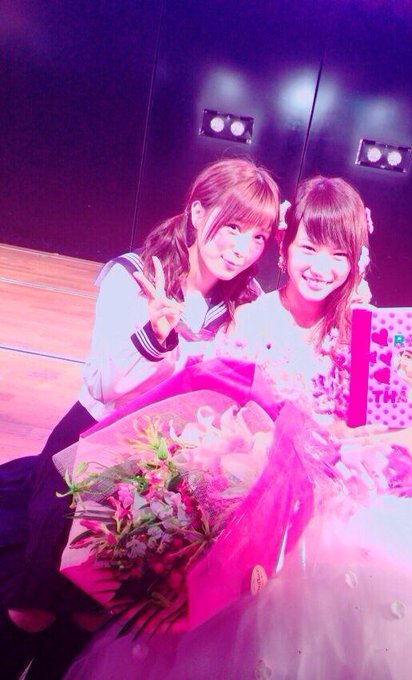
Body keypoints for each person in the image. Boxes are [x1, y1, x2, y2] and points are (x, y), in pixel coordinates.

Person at [64, 177, 412, 680]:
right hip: (273, 497)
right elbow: (228, 414)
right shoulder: (251, 319)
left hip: (347, 492)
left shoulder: (362, 327)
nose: (322, 269)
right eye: (309, 248)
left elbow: (380, 416)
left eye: (339, 255)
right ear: (284, 246)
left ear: (356, 260)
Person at [0, 157, 280, 679]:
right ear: (198, 213)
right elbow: (104, 386)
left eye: (258, 236)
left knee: (90, 614)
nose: (241, 248)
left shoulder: (244, 301)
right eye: (232, 227)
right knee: (33, 606)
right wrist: (154, 337)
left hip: (158, 473)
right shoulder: (134, 274)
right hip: (88, 449)